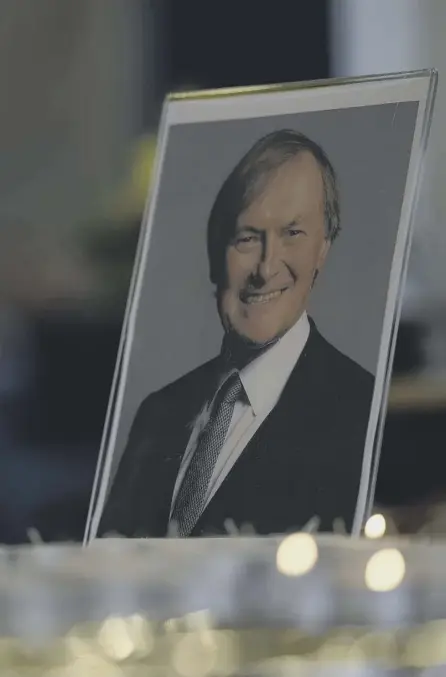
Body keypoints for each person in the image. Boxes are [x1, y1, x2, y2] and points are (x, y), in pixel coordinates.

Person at [97, 129, 375, 539]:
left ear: (323, 248)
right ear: (215, 257)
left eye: (292, 234)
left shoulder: (364, 413)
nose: (265, 268)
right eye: (246, 238)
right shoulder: (158, 413)